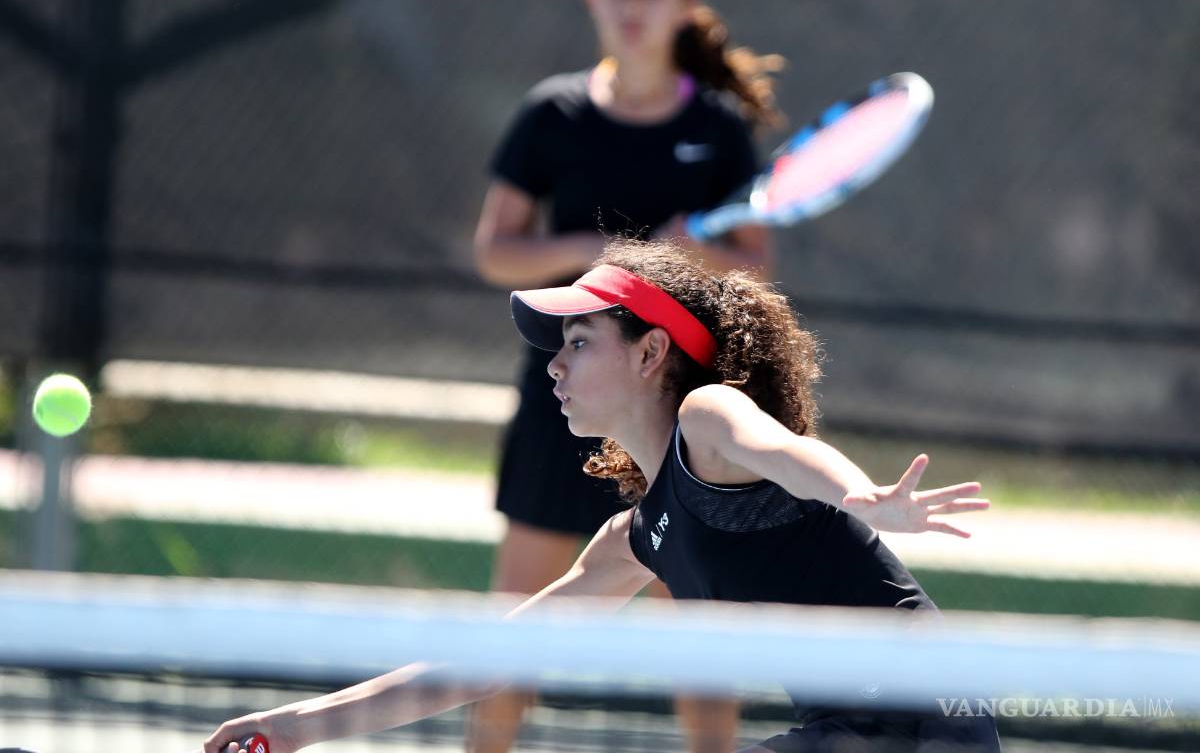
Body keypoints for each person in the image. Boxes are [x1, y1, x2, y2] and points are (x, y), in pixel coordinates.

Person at [204, 239, 1002, 753]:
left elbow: (789, 454)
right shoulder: (634, 539)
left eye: (579, 342)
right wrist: (297, 727)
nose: (555, 365)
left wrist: (866, 498)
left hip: (928, 718)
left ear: (652, 351)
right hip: (842, 733)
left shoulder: (707, 417)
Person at [472, 0, 782, 748]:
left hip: (672, 414)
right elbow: (497, 252)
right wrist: (615, 248)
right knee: (516, 629)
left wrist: (693, 257)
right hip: (562, 398)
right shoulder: (552, 114)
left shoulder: (716, 130)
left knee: (699, 644)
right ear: (590, 0)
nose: (632, 6)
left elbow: (753, 263)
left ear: (685, 4)